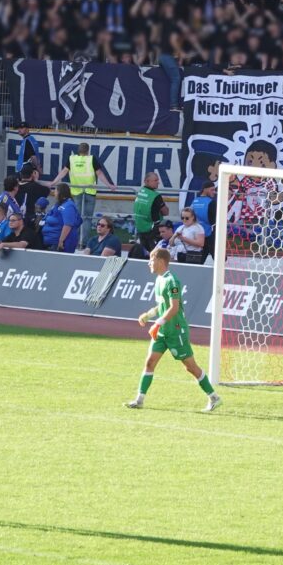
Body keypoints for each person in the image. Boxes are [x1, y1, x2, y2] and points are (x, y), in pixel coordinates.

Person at [124, 247, 221, 412]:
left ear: (160, 261)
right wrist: (148, 315)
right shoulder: (159, 279)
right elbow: (162, 305)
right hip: (162, 332)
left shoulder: (172, 281)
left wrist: (157, 323)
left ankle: (214, 397)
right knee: (150, 362)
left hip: (176, 331)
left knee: (190, 366)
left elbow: (174, 308)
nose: (149, 263)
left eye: (151, 259)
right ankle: (139, 399)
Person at [55, 142, 112, 225]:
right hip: (90, 191)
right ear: (88, 151)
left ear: (78, 150)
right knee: (88, 218)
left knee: (75, 217)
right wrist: (109, 185)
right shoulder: (91, 159)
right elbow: (99, 173)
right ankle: (85, 238)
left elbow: (64, 171)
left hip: (76, 191)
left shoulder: (72, 159)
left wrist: (54, 182)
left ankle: (76, 237)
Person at [132, 170, 168, 252]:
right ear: (147, 181)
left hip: (140, 229)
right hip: (153, 230)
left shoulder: (140, 192)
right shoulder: (155, 196)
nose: (158, 182)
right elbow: (166, 212)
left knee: (143, 253)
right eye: (155, 180)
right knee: (155, 254)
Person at [41, 183, 82, 253]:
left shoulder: (68, 206)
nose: (54, 192)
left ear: (60, 192)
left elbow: (68, 225)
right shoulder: (58, 204)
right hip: (51, 241)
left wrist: (61, 240)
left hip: (61, 243)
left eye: (56, 190)